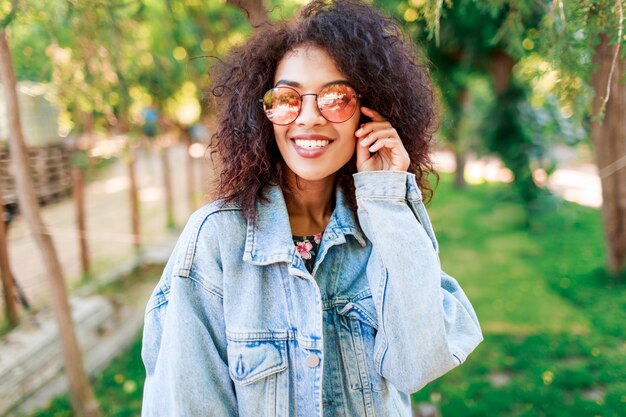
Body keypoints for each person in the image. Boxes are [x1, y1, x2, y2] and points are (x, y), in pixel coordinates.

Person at [141, 1, 483, 416]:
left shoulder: (384, 228)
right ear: (262, 113)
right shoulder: (216, 239)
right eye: (287, 98)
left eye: (335, 97)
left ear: (369, 111)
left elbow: (417, 365)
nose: (308, 118)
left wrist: (387, 197)